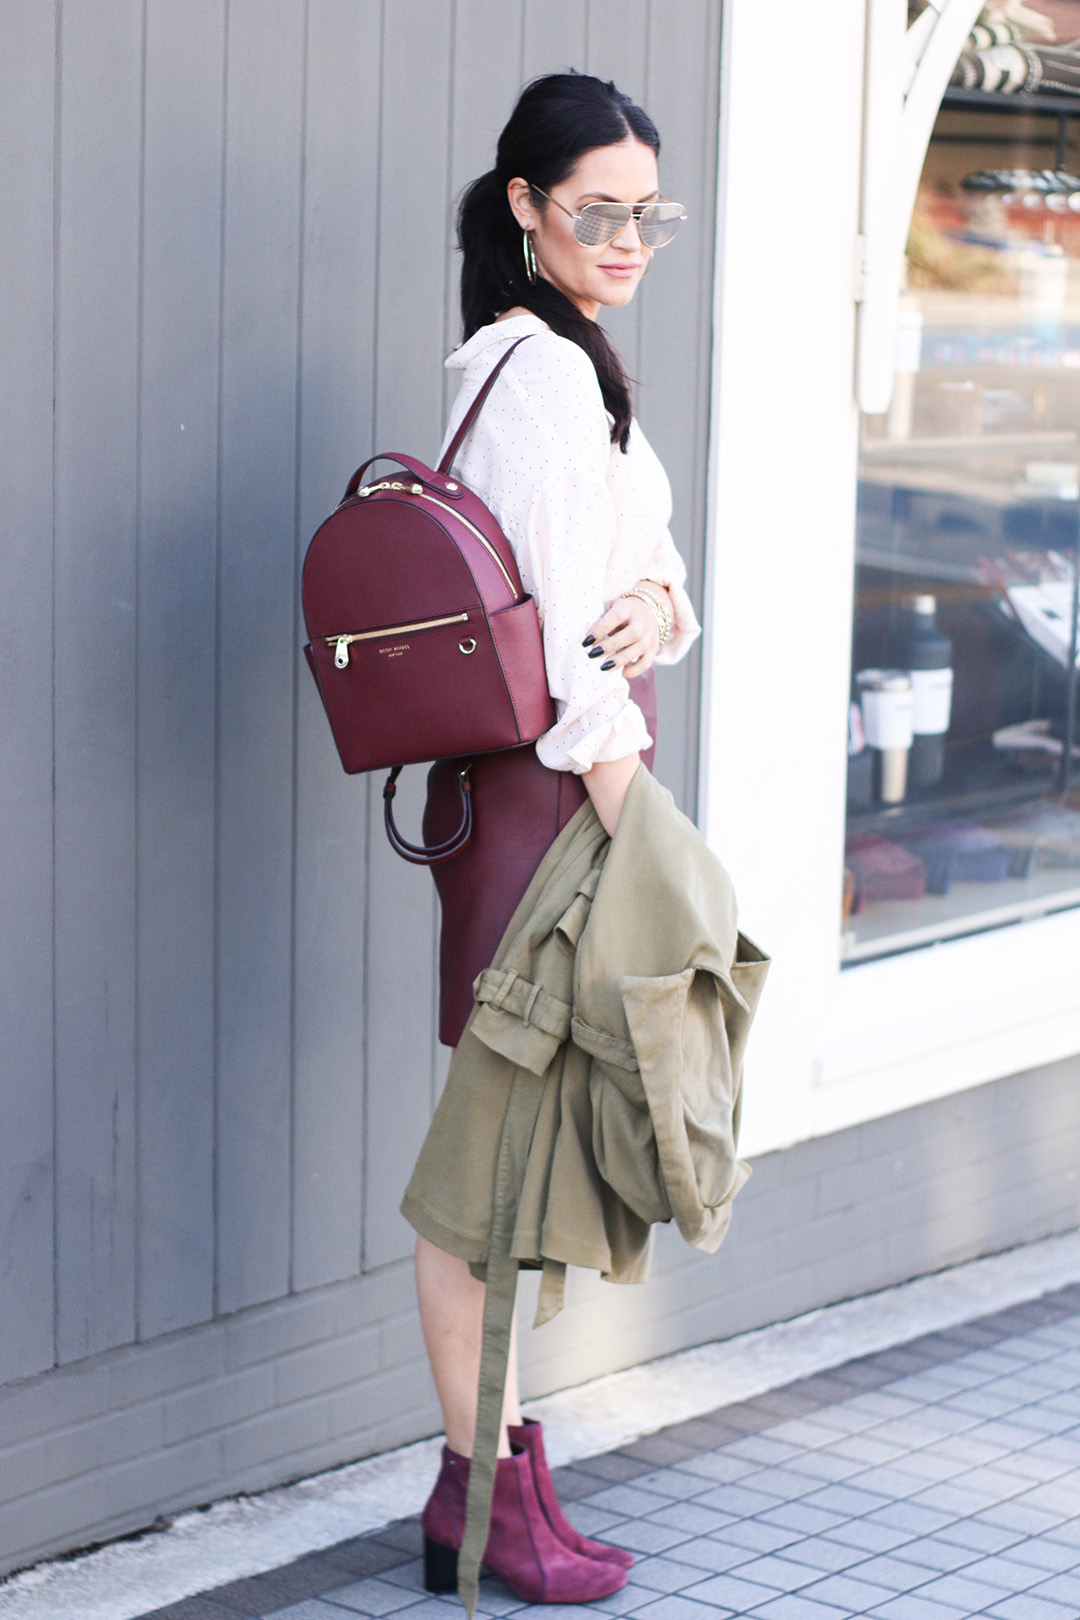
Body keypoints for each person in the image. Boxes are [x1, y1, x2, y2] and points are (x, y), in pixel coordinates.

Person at [404, 72, 701, 1605]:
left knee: (521, 1168)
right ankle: (482, 1494)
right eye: (600, 209)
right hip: (546, 813)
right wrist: (630, 810)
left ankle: (502, 1483)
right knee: (488, 1171)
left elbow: (641, 590)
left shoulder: (580, 365)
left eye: (650, 210)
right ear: (525, 205)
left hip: (552, 800)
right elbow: (566, 662)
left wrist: (664, 609)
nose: (632, 235)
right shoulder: (532, 372)